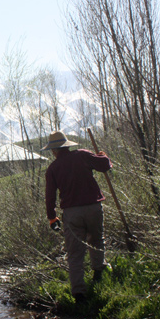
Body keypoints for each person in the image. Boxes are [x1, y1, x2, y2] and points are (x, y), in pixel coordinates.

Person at [42, 130, 112, 303]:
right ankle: (98, 272)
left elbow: (50, 197)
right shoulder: (82, 155)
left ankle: (79, 294)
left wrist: (52, 218)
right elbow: (105, 166)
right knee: (97, 240)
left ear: (54, 150)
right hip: (94, 207)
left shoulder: (53, 169)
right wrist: (103, 156)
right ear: (67, 145)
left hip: (72, 213)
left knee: (75, 253)